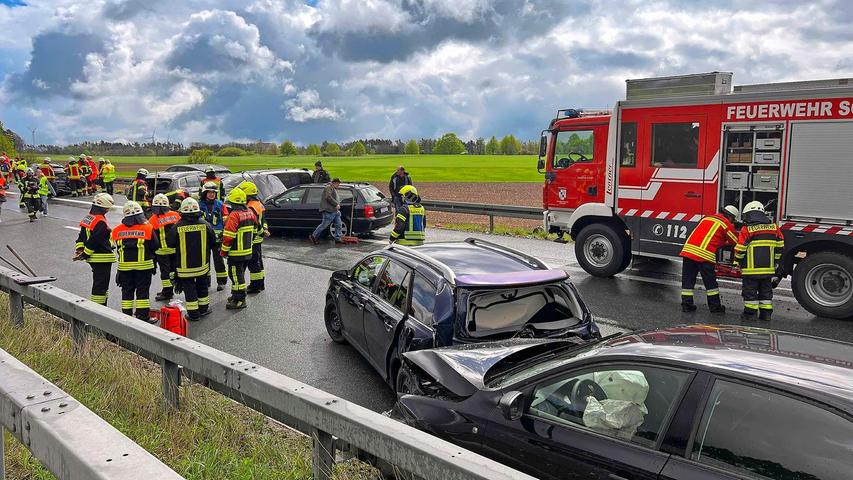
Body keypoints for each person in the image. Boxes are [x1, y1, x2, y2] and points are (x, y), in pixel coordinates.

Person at [678, 206, 739, 313]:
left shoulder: (706, 218)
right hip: (704, 255)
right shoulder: (725, 223)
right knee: (711, 284)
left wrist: (721, 241)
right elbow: (735, 241)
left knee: (688, 280)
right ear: (730, 217)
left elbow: (707, 235)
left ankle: (687, 305)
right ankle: (715, 308)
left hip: (688, 251)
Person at [167, 198, 217, 320]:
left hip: (185, 268)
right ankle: (204, 309)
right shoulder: (206, 225)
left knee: (189, 289)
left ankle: (193, 314)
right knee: (202, 286)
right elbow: (213, 241)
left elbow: (170, 243)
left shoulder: (177, 227)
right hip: (202, 266)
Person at [735, 201, 785, 321]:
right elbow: (780, 246)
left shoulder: (747, 229)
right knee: (766, 293)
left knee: (750, 292)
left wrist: (737, 262)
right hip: (768, 270)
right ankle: (766, 314)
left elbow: (740, 248)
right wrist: (775, 261)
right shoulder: (774, 228)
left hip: (750, 270)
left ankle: (750, 315)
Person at [111, 201, 158, 322]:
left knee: (127, 292)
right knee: (142, 293)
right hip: (144, 267)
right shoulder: (147, 228)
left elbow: (116, 248)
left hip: (124, 268)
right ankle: (143, 317)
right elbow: (156, 246)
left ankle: (126, 316)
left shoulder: (116, 230)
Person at [74, 193, 116, 306]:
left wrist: (80, 249)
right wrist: (85, 254)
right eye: (107, 207)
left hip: (95, 258)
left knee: (100, 285)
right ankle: (99, 310)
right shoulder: (100, 222)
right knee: (101, 287)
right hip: (102, 257)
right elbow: (94, 240)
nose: (108, 210)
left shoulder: (88, 218)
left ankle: (100, 306)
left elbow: (81, 236)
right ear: (103, 207)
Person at [220, 188, 257, 309]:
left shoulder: (234, 215)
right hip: (248, 252)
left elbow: (228, 237)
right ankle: (236, 295)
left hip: (236, 253)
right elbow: (256, 230)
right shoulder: (250, 212)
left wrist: (224, 251)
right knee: (238, 275)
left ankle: (240, 300)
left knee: (236, 276)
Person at [238, 181, 269, 293]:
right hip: (259, 238)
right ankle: (261, 284)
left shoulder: (250, 207)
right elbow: (264, 220)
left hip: (253, 238)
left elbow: (254, 224)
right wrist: (265, 229)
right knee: (259, 262)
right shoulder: (259, 204)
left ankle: (255, 286)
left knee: (253, 263)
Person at [149, 194, 181, 301]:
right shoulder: (175, 215)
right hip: (175, 250)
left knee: (165, 273)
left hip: (162, 251)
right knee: (172, 271)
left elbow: (151, 238)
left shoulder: (153, 220)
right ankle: (169, 289)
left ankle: (167, 292)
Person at [200, 181, 229, 290]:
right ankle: (206, 282)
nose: (212, 194)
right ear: (204, 193)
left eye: (213, 192)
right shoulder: (199, 205)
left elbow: (227, 220)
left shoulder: (221, 204)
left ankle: (221, 282)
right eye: (209, 192)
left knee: (219, 261)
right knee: (205, 261)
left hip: (218, 239)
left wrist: (224, 233)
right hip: (204, 238)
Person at [309, 178, 343, 245]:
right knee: (324, 225)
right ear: (334, 183)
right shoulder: (328, 188)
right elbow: (328, 197)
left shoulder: (333, 189)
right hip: (328, 210)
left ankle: (337, 238)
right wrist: (336, 204)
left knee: (338, 224)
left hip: (335, 210)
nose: (338, 186)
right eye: (338, 184)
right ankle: (313, 236)